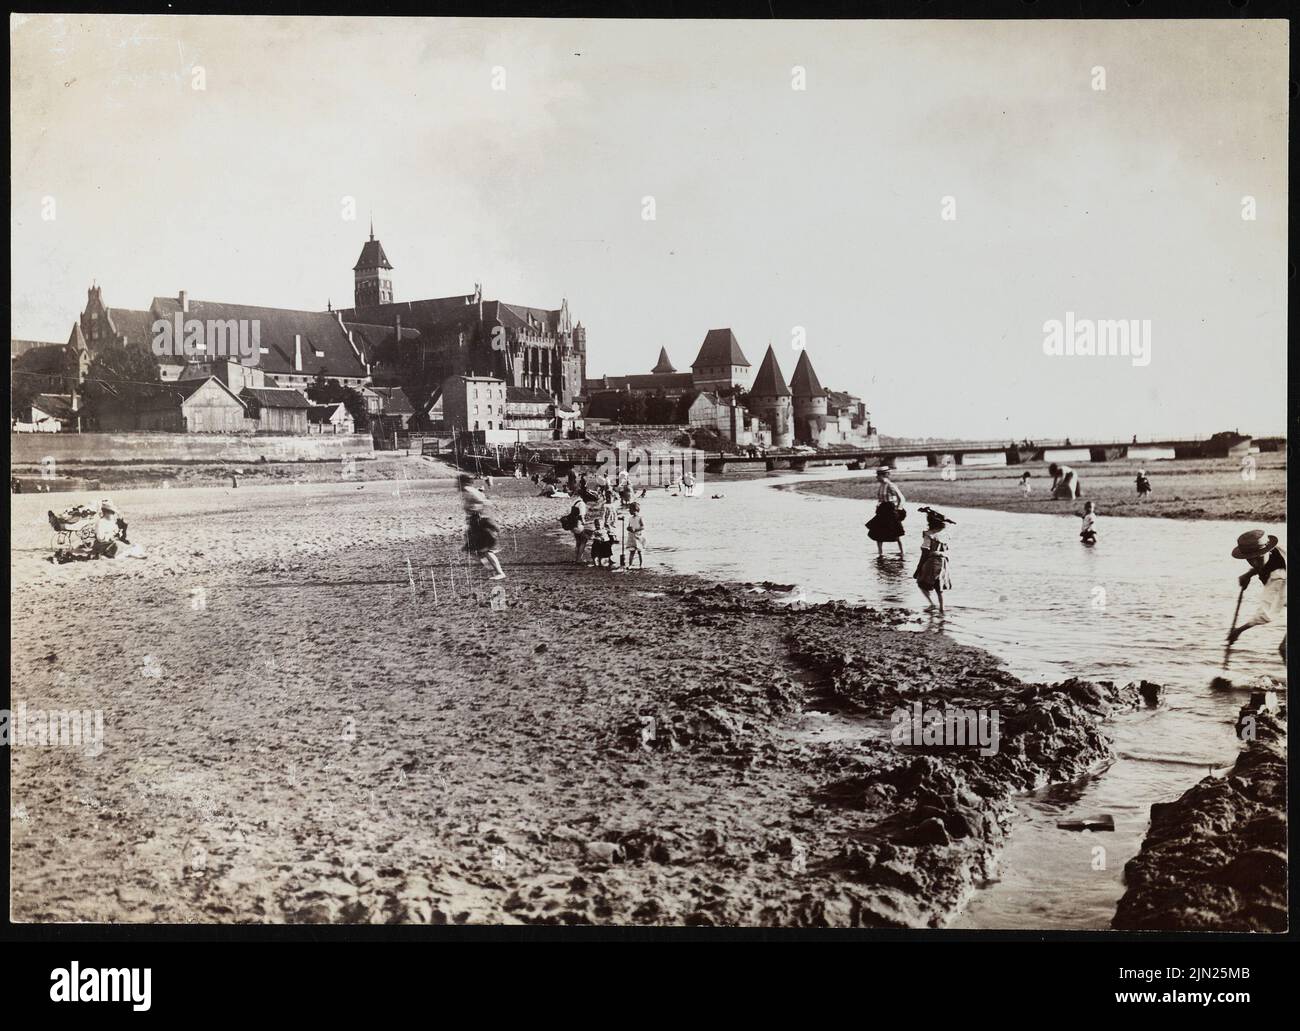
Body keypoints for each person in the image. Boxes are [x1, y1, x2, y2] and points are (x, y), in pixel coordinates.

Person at [1227, 530, 1286, 662]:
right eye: (1249, 559)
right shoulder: (1275, 551)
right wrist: (1249, 574)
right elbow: (1262, 563)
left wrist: (1238, 631)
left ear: (1268, 550)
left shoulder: (1278, 575)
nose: (1254, 563)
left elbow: (1266, 614)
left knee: (1285, 649)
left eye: (1258, 558)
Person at [458, 474, 505, 580]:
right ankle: (490, 569)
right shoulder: (467, 491)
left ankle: (499, 572)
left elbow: (483, 502)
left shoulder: (469, 491)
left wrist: (476, 511)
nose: (457, 484)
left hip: (480, 522)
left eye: (459, 482)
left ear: (463, 482)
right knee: (473, 549)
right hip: (475, 522)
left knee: (485, 549)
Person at [913, 506, 954, 612]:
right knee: (939, 586)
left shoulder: (929, 535)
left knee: (921, 583)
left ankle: (932, 604)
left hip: (931, 561)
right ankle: (942, 608)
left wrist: (918, 568)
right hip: (944, 562)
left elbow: (925, 553)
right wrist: (930, 511)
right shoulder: (946, 534)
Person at [865, 467, 906, 557]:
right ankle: (880, 553)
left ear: (883, 475)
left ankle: (902, 551)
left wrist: (898, 509)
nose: (876, 477)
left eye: (878, 475)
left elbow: (901, 498)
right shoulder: (881, 485)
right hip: (882, 510)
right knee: (877, 531)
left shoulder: (890, 485)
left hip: (890, 510)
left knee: (896, 531)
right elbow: (880, 499)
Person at [568, 492, 593, 564]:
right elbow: (581, 516)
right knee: (583, 541)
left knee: (578, 542)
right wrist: (584, 521)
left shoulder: (576, 501)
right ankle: (579, 559)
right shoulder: (582, 504)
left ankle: (576, 558)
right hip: (578, 524)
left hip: (572, 524)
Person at [625, 502, 646, 569]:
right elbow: (628, 526)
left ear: (635, 510)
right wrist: (628, 528)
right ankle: (630, 564)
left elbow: (643, 527)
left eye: (630, 510)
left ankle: (641, 564)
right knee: (632, 551)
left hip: (639, 536)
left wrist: (635, 529)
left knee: (640, 551)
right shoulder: (630, 518)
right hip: (632, 536)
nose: (629, 511)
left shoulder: (640, 518)